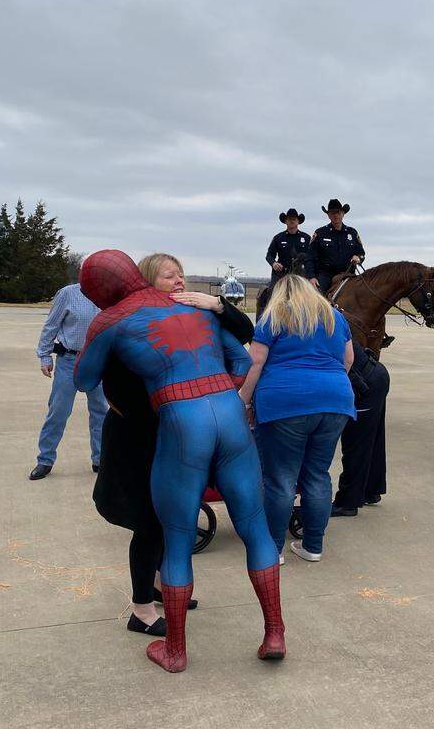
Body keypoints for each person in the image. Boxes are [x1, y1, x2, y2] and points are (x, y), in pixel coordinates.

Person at [75, 250, 283, 672]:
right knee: (254, 527)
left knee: (176, 532)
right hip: (227, 409)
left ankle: (175, 649)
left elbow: (82, 379)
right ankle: (274, 632)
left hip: (179, 418)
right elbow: (242, 361)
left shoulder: (110, 321)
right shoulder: (191, 305)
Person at [239, 274, 355, 562]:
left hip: (284, 402)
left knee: (280, 480)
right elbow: (348, 359)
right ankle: (313, 546)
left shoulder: (274, 316)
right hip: (335, 400)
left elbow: (255, 361)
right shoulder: (335, 318)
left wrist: (242, 399)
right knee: (317, 474)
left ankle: (273, 549)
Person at [29, 275, 109, 479]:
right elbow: (51, 325)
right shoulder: (68, 294)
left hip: (98, 361)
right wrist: (45, 356)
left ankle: (100, 459)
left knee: (101, 411)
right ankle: (45, 459)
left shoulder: (110, 294)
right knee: (58, 411)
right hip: (69, 360)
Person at [331, 339, 390, 517]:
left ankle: (348, 502)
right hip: (374, 375)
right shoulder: (332, 317)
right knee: (371, 438)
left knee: (355, 443)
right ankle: (371, 490)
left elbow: (347, 361)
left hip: (364, 383)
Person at [258, 208, 314, 311]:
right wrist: (274, 263)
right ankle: (268, 314)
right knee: (271, 292)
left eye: (294, 219)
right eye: (289, 219)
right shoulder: (278, 238)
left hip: (300, 274)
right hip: (281, 273)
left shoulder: (306, 238)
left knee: (313, 292)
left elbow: (311, 256)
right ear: (285, 221)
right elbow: (269, 255)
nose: (292, 221)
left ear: (298, 221)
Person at [312, 198, 366, 293]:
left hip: (348, 275)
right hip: (326, 276)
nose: (336, 215)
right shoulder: (320, 233)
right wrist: (312, 277)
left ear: (343, 214)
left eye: (338, 212)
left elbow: (361, 253)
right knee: (315, 298)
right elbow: (310, 257)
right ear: (328, 215)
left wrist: (358, 257)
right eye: (332, 213)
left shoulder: (352, 233)